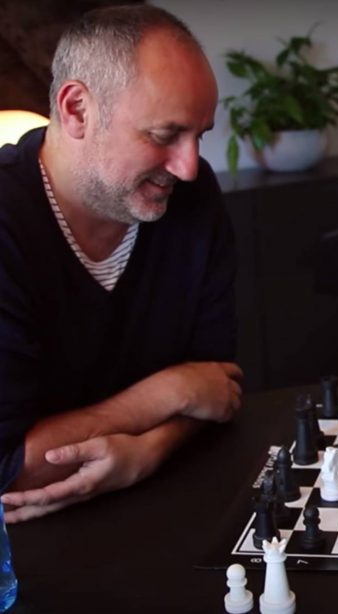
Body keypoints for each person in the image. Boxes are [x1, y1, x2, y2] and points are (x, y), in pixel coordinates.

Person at [0, 5, 242, 522]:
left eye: (199, 135)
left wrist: (149, 452)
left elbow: (220, 387)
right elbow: (9, 469)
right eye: (163, 135)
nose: (190, 166)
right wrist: (167, 394)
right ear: (77, 110)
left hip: (171, 502)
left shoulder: (194, 201)